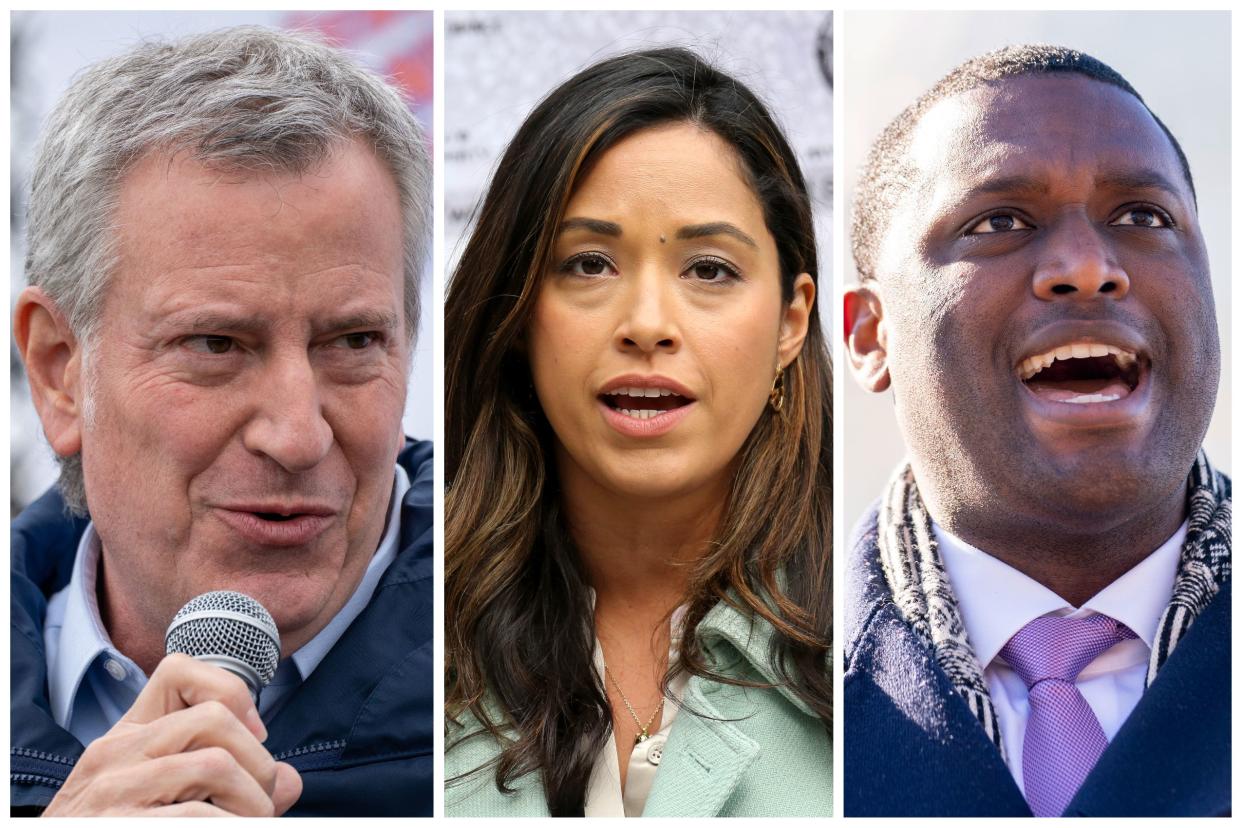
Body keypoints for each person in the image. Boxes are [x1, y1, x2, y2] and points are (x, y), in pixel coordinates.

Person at [11, 26, 433, 816]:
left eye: (352, 342)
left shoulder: (532, 679)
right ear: (61, 371)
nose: (297, 435)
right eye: (216, 344)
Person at [443, 47, 832, 817]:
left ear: (791, 322)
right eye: (589, 264)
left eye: (710, 270)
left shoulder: (870, 647)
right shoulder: (426, 640)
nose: (648, 325)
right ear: (519, 315)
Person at [843, 44, 1229, 817]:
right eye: (999, 221)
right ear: (871, 337)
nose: (1088, 266)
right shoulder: (771, 689)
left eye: (1142, 216)